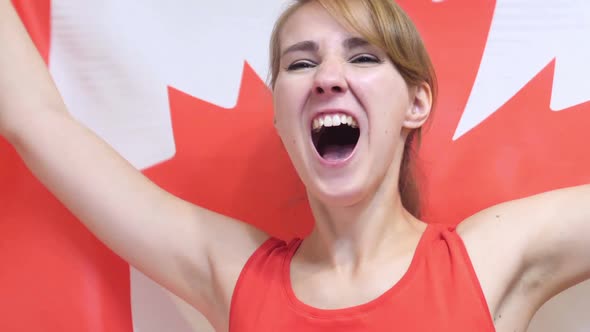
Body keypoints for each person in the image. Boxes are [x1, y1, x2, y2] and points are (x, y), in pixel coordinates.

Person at [1, 0, 588, 331]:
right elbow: (37, 121)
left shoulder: (488, 260)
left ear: (416, 103)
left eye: (361, 57)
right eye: (300, 63)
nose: (329, 77)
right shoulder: (236, 275)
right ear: (280, 115)